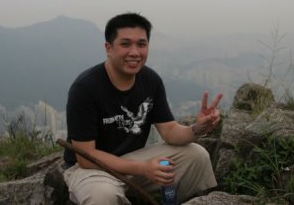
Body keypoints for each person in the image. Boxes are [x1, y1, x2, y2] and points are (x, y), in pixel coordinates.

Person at [63, 12, 223, 205]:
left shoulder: (150, 80)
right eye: (125, 44)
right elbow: (86, 157)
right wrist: (143, 168)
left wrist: (199, 128)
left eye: (141, 44)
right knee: (102, 196)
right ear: (109, 48)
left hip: (133, 160)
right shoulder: (86, 88)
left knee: (197, 155)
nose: (134, 52)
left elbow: (170, 131)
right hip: (93, 170)